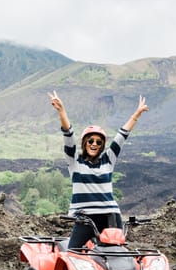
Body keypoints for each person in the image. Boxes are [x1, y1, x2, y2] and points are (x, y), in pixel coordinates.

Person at [48, 90, 149, 248]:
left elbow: (122, 136)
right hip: (85, 217)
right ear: (85, 143)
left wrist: (136, 115)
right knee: (72, 253)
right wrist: (62, 111)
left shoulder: (108, 160)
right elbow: (68, 135)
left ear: (102, 145)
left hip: (110, 216)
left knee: (115, 255)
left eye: (98, 142)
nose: (94, 144)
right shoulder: (75, 161)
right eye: (91, 141)